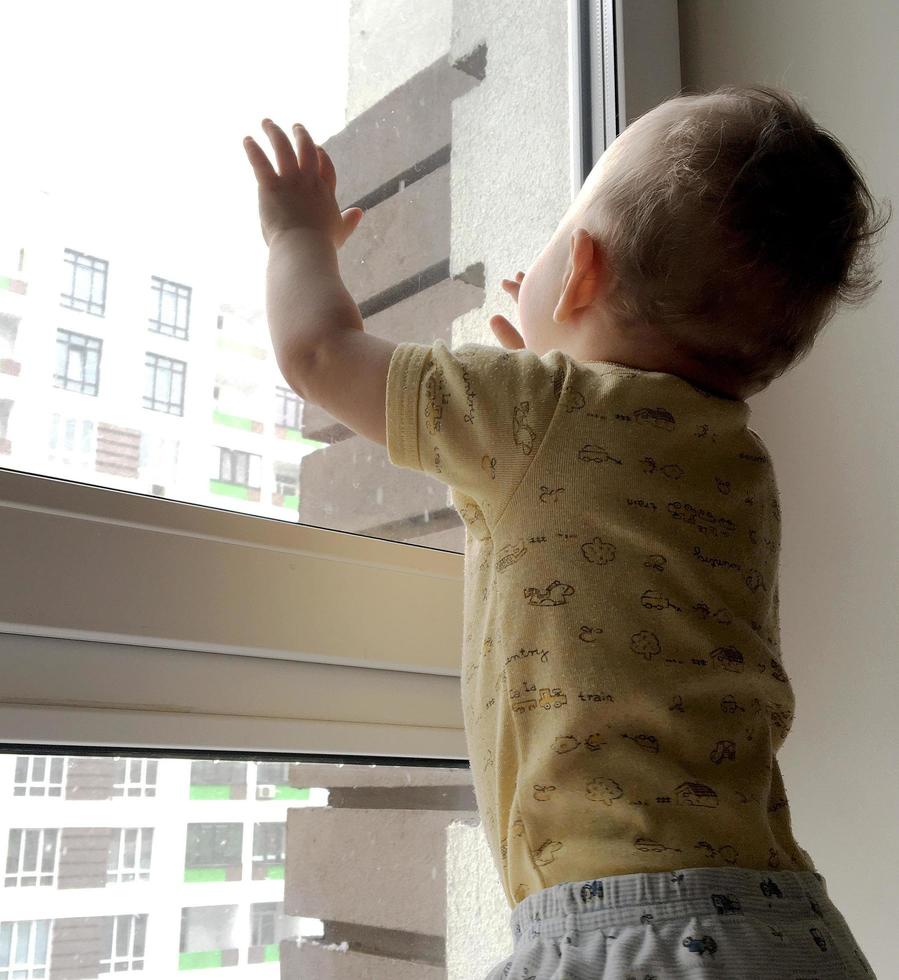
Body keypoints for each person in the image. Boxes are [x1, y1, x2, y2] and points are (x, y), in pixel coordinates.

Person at [243, 84, 887, 979]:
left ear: (578, 268)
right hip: (791, 926)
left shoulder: (537, 414)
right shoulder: (735, 464)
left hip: (630, 934)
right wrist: (543, 377)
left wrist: (296, 237)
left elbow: (317, 355)